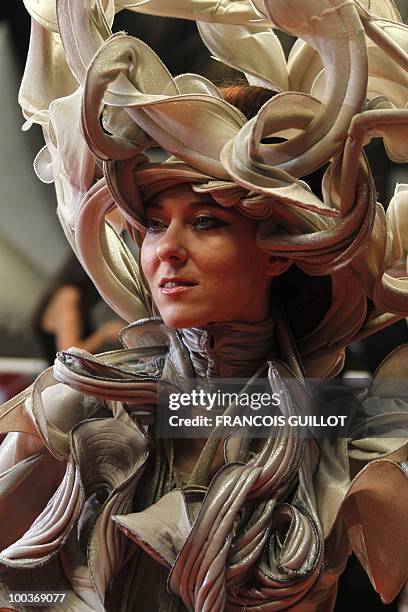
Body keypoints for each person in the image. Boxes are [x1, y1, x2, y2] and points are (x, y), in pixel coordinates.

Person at [1, 1, 408, 610]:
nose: (167, 251)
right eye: (155, 224)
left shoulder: (351, 436)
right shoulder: (77, 411)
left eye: (206, 222)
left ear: (276, 251)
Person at [32, 253, 124, 366]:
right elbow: (69, 353)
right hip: (65, 380)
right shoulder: (69, 295)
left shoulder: (64, 292)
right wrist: (104, 334)